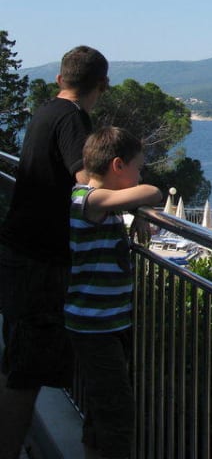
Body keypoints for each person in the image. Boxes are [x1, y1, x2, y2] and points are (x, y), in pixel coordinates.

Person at [0, 45, 109, 459]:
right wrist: (131, 196)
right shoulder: (73, 118)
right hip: (41, 262)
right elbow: (85, 181)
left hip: (18, 251)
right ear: (102, 85)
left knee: (15, 363)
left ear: (61, 78)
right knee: (25, 375)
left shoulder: (45, 111)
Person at [66, 127, 161, 458]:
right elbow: (153, 192)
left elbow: (133, 196)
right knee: (117, 413)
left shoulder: (97, 200)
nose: (140, 176)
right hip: (96, 326)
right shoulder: (90, 199)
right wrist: (140, 200)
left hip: (108, 321)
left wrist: (135, 212)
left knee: (101, 407)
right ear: (118, 165)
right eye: (138, 167)